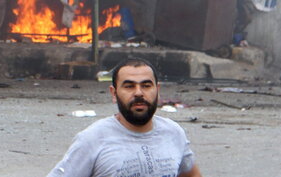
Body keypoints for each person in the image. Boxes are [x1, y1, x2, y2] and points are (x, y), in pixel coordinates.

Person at [46, 58, 202, 177]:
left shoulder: (173, 133)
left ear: (157, 90)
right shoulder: (92, 139)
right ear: (114, 93)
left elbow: (192, 174)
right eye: (129, 86)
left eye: (146, 86)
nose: (139, 93)